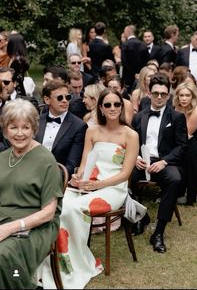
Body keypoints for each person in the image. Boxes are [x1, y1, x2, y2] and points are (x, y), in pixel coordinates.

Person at [40, 87, 139, 289]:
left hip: (113, 189)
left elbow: (125, 174)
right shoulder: (91, 130)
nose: (113, 108)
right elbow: (84, 164)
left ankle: (78, 263)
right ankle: (59, 261)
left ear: (122, 107)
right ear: (101, 108)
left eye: (117, 104)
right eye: (108, 104)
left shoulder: (131, 135)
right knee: (59, 205)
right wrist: (78, 177)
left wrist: (99, 184)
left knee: (74, 209)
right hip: (88, 184)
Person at [0, 98, 63, 289]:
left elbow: (48, 213)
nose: (19, 133)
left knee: (3, 254)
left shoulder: (46, 160)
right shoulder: (2, 157)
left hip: (36, 226)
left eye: (25, 127)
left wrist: (10, 228)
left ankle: (17, 282)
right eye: (13, 127)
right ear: (5, 129)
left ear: (34, 129)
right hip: (3, 219)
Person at [130, 73, 188, 253]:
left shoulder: (177, 117)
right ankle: (141, 216)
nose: (160, 97)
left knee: (174, 179)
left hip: (164, 161)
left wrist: (164, 162)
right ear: (149, 93)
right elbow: (132, 142)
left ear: (169, 95)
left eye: (163, 93)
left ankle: (159, 232)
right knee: (123, 178)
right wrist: (136, 158)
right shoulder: (139, 116)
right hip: (141, 162)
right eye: (156, 93)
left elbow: (182, 146)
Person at [35, 79, 88, 178]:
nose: (65, 100)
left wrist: (48, 177)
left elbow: (71, 165)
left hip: (58, 178)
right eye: (60, 98)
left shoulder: (79, 126)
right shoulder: (36, 121)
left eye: (67, 97)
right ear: (47, 100)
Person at [173, 81, 197, 205]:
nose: (184, 99)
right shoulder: (176, 108)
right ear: (177, 96)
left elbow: (185, 135)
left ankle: (190, 193)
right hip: (183, 142)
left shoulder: (196, 111)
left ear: (193, 97)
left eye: (187, 95)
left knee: (189, 146)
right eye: (181, 95)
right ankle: (173, 189)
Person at [121, 25, 150, 94]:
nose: (124, 33)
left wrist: (132, 73)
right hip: (141, 75)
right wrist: (139, 72)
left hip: (128, 77)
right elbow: (147, 61)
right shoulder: (143, 45)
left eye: (124, 31)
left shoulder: (125, 44)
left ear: (128, 32)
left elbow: (124, 62)